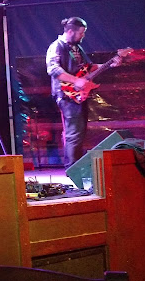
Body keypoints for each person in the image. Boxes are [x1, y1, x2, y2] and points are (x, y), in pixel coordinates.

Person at [46, 17, 120, 168]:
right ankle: (72, 168)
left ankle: (76, 166)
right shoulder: (57, 46)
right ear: (71, 31)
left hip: (78, 94)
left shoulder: (77, 48)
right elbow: (53, 69)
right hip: (66, 94)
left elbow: (88, 67)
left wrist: (110, 64)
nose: (83, 36)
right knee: (73, 133)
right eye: (81, 33)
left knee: (78, 132)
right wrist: (76, 81)